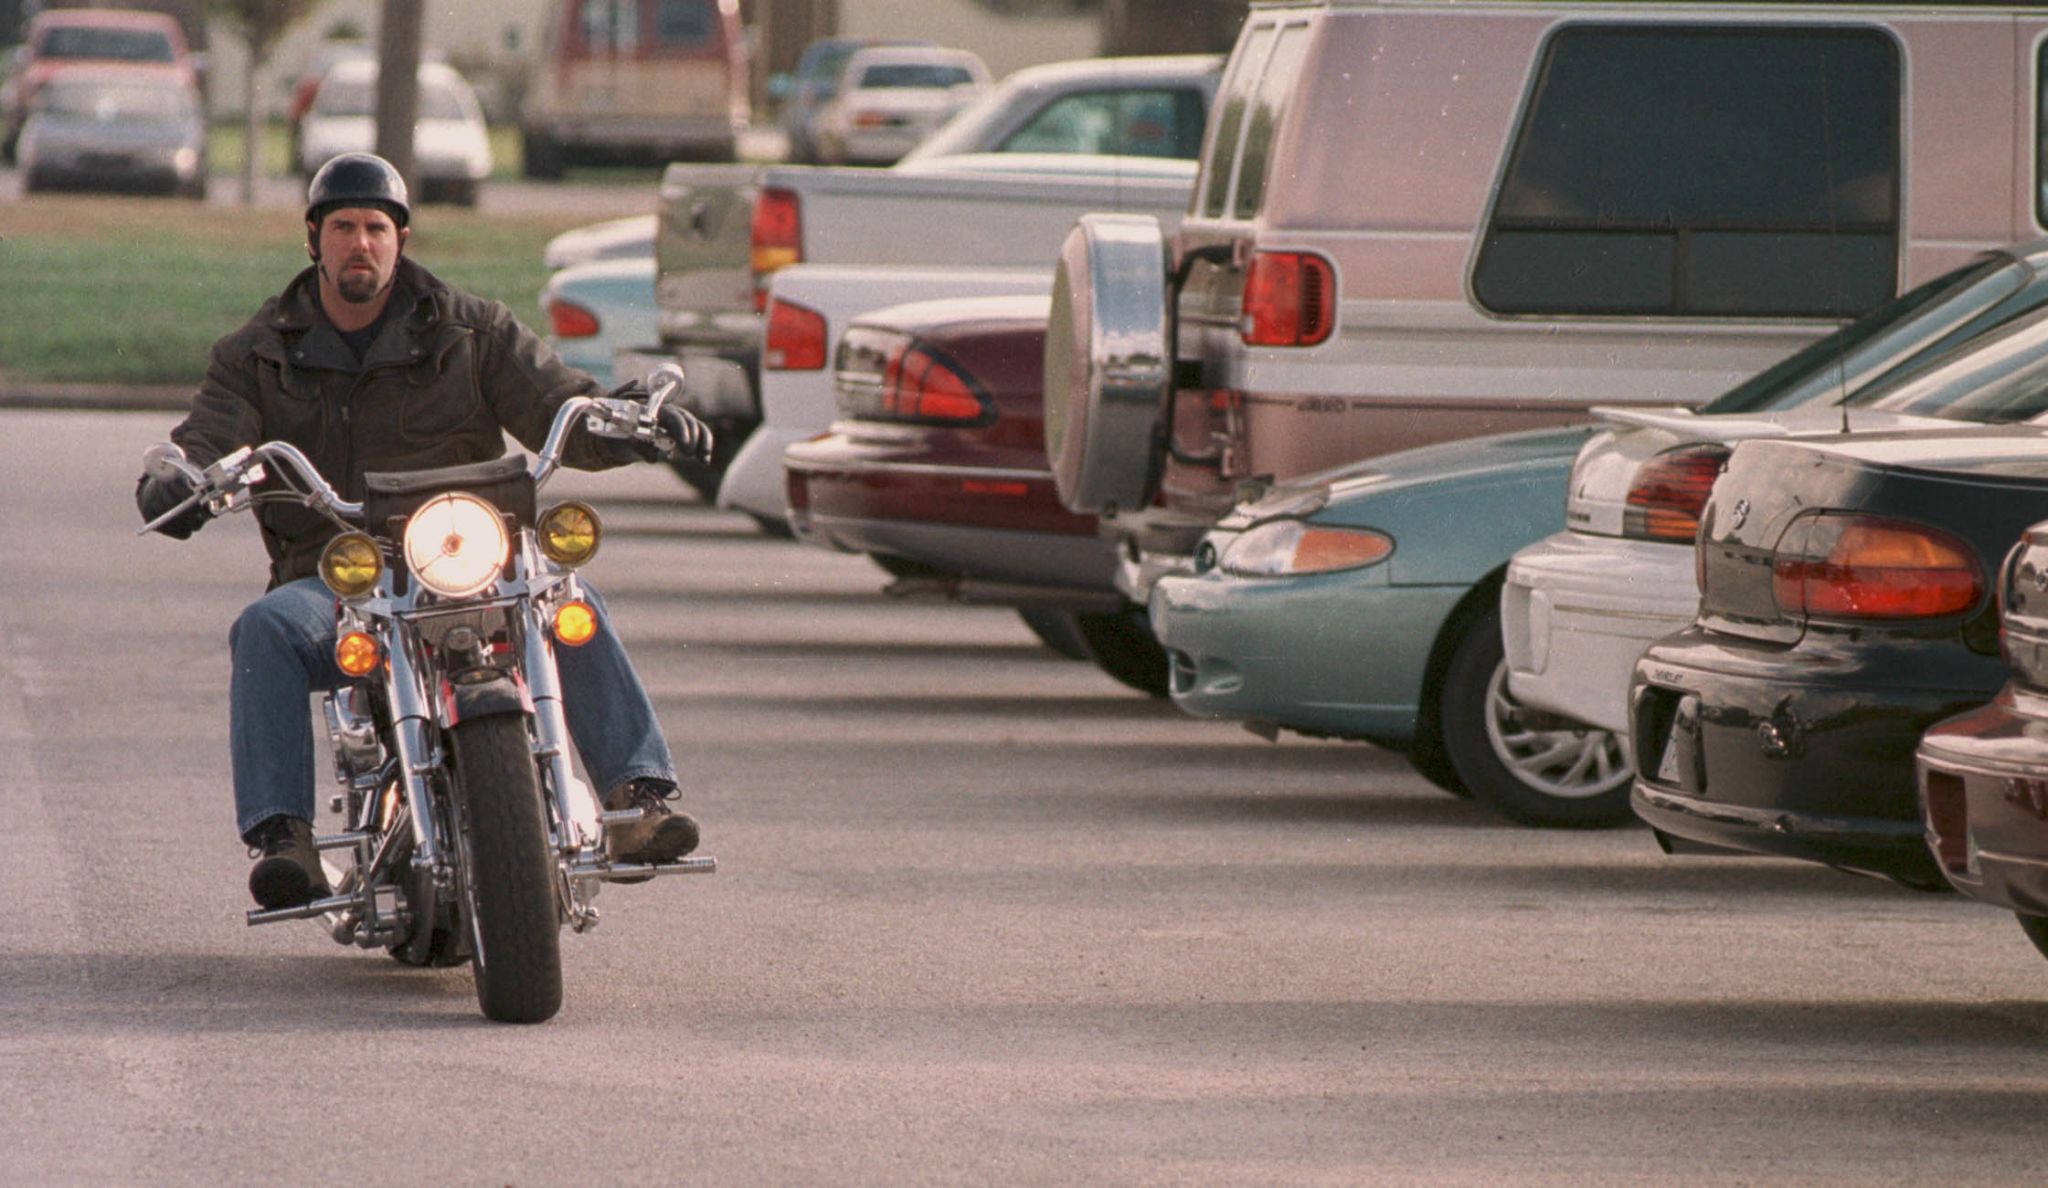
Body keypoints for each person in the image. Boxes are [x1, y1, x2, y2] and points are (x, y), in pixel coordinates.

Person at [135, 152, 711, 911]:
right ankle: (285, 839)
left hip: (472, 564)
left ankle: (638, 802)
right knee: (266, 629)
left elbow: (558, 406)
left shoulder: (471, 331)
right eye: (343, 226)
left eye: (377, 227)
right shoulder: (257, 355)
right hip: (335, 577)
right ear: (314, 239)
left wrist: (634, 421)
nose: (360, 243)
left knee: (568, 599)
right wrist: (179, 479)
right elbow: (209, 438)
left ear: (401, 240)